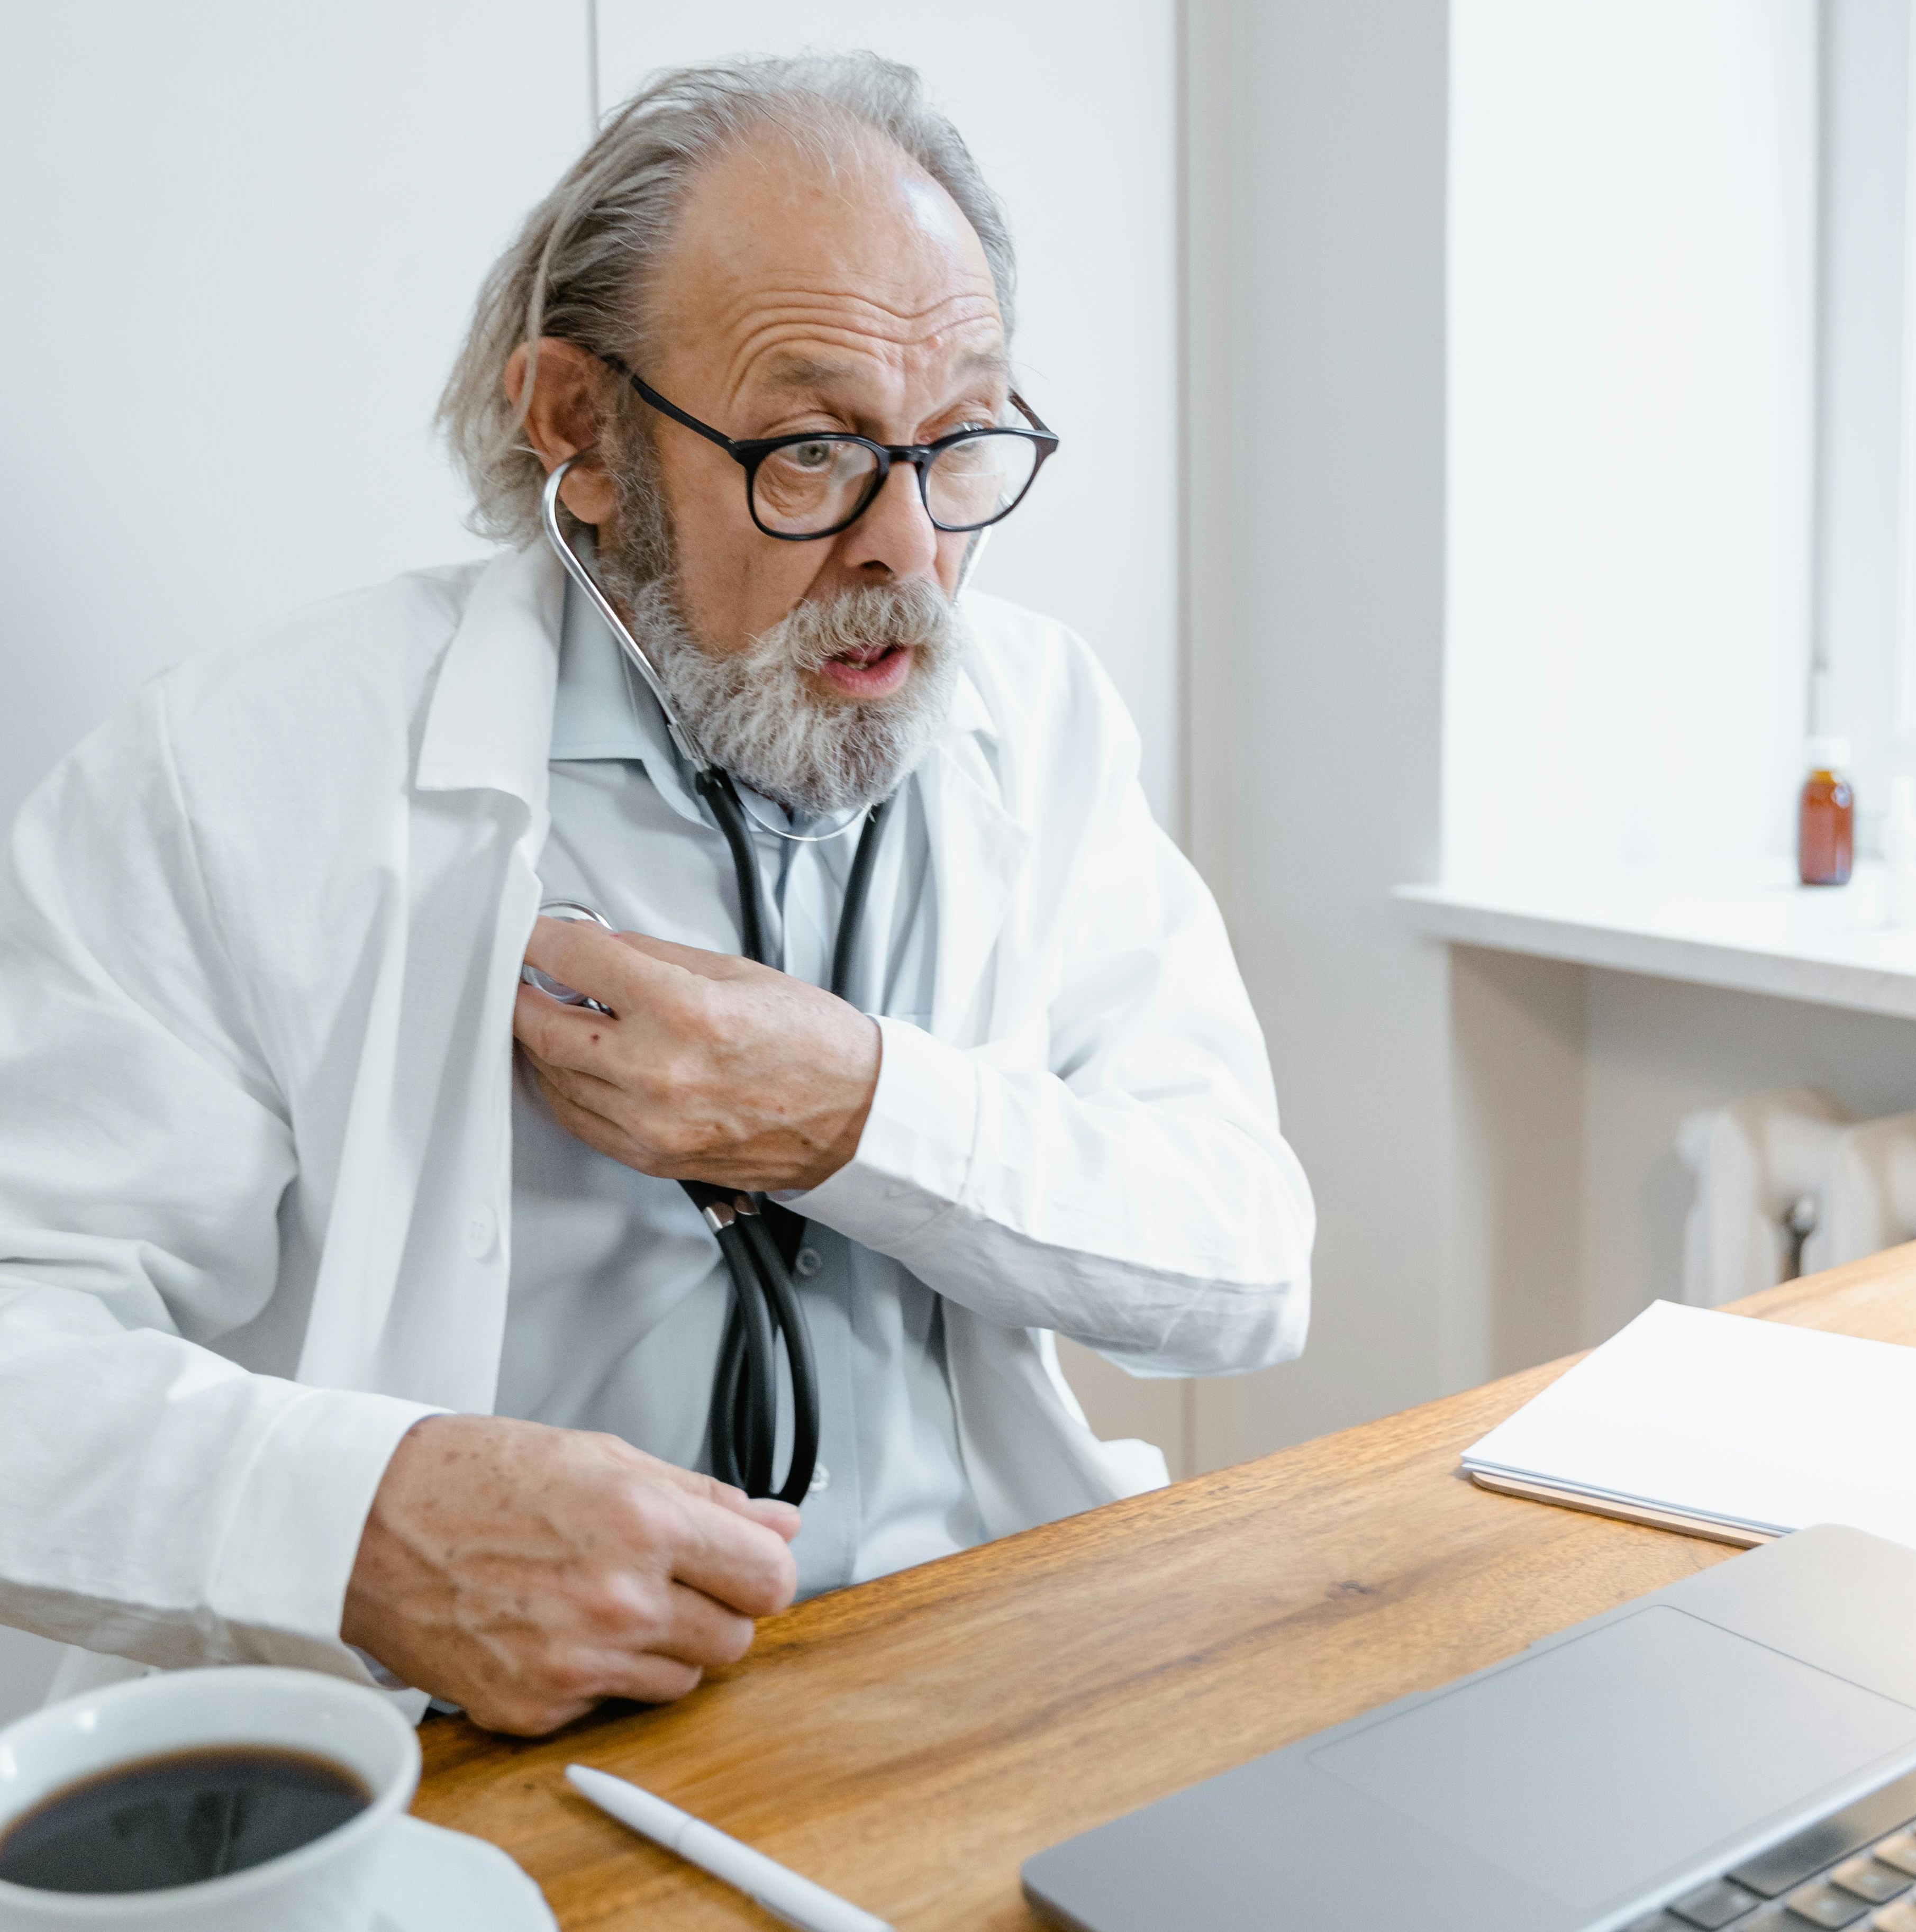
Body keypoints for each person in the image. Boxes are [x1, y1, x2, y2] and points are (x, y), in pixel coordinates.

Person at [0, 53, 1313, 1737]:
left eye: (959, 441)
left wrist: (852, 1109)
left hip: (964, 1664)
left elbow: (1241, 1256)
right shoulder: (245, 770)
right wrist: (361, 1518)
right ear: (579, 427)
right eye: (815, 448)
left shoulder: (1035, 721)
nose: (906, 551)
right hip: (473, 1749)